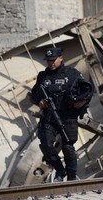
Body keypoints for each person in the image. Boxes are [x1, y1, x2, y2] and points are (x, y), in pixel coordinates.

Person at [31, 47, 94, 181]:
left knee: (68, 147)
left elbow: (88, 89)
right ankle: (60, 170)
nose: (51, 63)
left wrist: (81, 103)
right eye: (48, 60)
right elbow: (34, 93)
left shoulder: (72, 74)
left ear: (61, 58)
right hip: (49, 117)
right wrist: (39, 101)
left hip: (68, 116)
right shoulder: (43, 76)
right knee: (46, 145)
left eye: (53, 60)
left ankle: (71, 178)